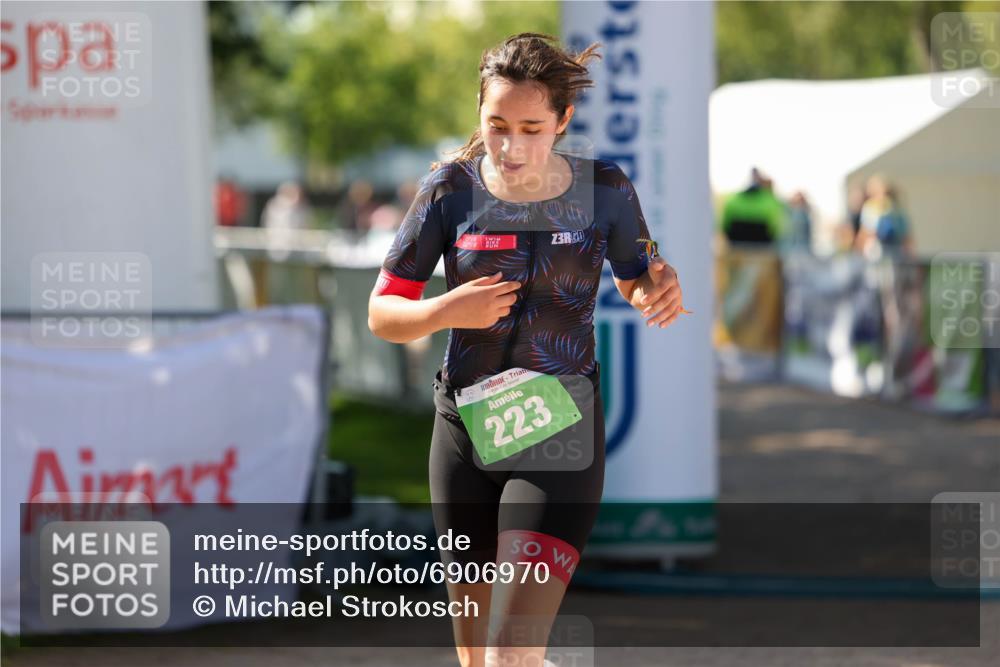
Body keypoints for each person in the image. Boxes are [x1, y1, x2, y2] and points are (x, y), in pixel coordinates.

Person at [367, 33, 686, 667]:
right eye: (497, 126)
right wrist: (444, 311)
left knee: (513, 652)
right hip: (463, 432)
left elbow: (634, 271)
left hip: (557, 433)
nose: (512, 147)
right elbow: (382, 313)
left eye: (532, 128)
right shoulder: (447, 190)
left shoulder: (605, 189)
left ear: (563, 121)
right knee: (476, 660)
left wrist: (657, 283)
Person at [855, 174, 913, 259]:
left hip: (890, 250)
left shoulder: (894, 208)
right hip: (881, 250)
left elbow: (905, 234)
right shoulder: (871, 207)